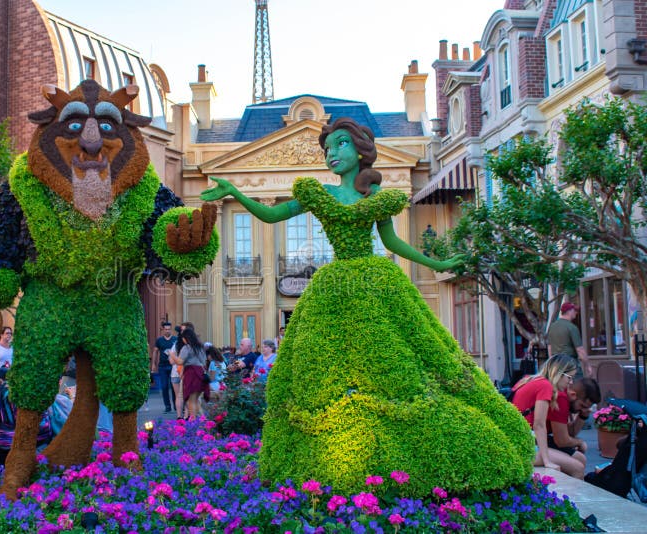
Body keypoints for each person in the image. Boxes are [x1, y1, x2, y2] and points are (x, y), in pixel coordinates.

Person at [201, 117, 533, 493]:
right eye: (327, 149)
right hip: (336, 285)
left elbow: (392, 244)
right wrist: (237, 192)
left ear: (359, 150)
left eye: (340, 145)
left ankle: (408, 452)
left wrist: (437, 263)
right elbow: (273, 214)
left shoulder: (377, 198)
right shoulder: (319, 193)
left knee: (399, 358)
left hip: (376, 284)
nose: (332, 154)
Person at [511, 354, 585, 478]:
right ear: (558, 373)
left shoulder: (531, 380)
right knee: (578, 467)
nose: (571, 382)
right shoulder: (545, 386)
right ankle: (571, 498)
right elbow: (539, 425)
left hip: (519, 441)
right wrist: (547, 461)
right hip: (522, 446)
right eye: (569, 377)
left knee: (578, 459)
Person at [548, 302, 590, 377]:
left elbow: (549, 348)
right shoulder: (572, 327)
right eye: (575, 310)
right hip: (570, 363)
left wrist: (552, 364)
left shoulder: (552, 327)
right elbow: (580, 350)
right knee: (576, 386)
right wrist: (587, 366)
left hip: (556, 364)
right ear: (569, 311)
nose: (576, 313)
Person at [178, 328, 208, 420]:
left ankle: (195, 418)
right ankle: (199, 418)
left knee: (188, 398)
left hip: (190, 375)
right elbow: (204, 361)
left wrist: (171, 356)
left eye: (183, 337)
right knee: (195, 399)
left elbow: (180, 361)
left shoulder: (187, 347)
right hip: (201, 374)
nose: (182, 339)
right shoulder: (200, 347)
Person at [152, 322, 177, 414]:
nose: (167, 331)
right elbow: (155, 352)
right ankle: (167, 406)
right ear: (163, 330)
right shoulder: (159, 340)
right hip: (162, 366)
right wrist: (153, 364)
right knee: (164, 386)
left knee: (174, 386)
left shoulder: (175, 339)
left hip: (173, 366)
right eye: (166, 329)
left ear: (171, 329)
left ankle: (175, 404)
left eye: (169, 329)